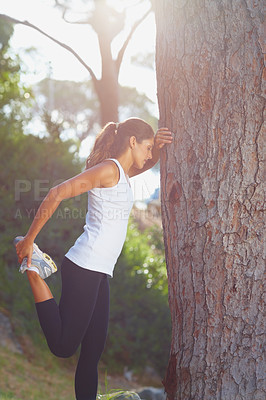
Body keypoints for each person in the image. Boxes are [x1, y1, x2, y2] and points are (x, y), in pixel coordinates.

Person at [14, 118, 173, 400]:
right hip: (85, 266)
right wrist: (29, 239)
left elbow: (146, 165)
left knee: (92, 352)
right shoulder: (109, 170)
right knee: (63, 347)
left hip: (99, 272)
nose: (149, 156)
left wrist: (158, 148)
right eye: (147, 148)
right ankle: (34, 269)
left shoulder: (122, 175)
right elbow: (57, 192)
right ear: (132, 142)